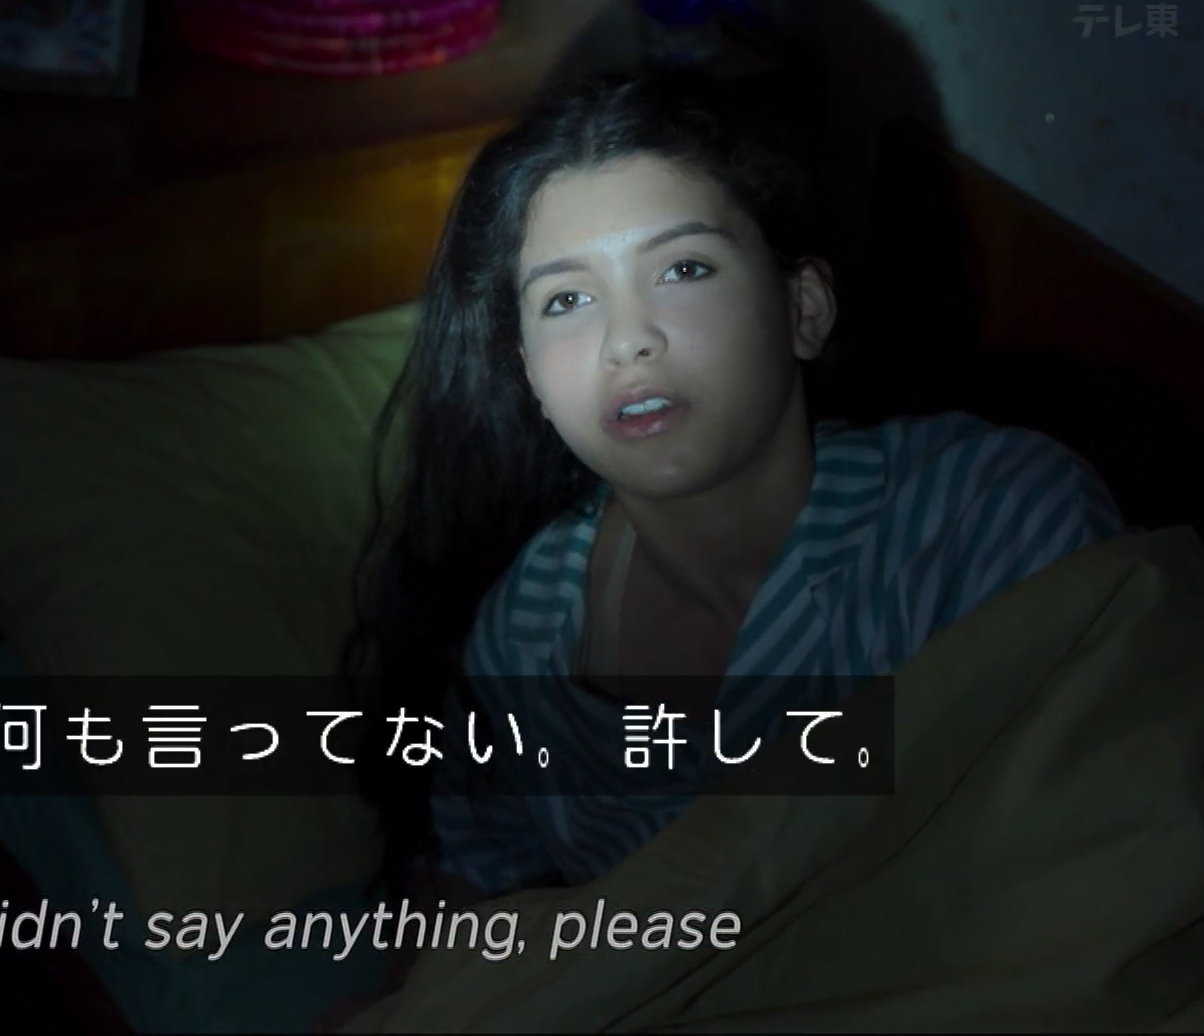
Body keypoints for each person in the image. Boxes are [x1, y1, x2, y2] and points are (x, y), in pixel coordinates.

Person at [322, 65, 1122, 1027]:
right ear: (529, 376)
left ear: (803, 309)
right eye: (566, 301)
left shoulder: (993, 520)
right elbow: (472, 884)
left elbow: (1104, 877)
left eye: (684, 270)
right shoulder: (528, 629)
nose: (628, 341)